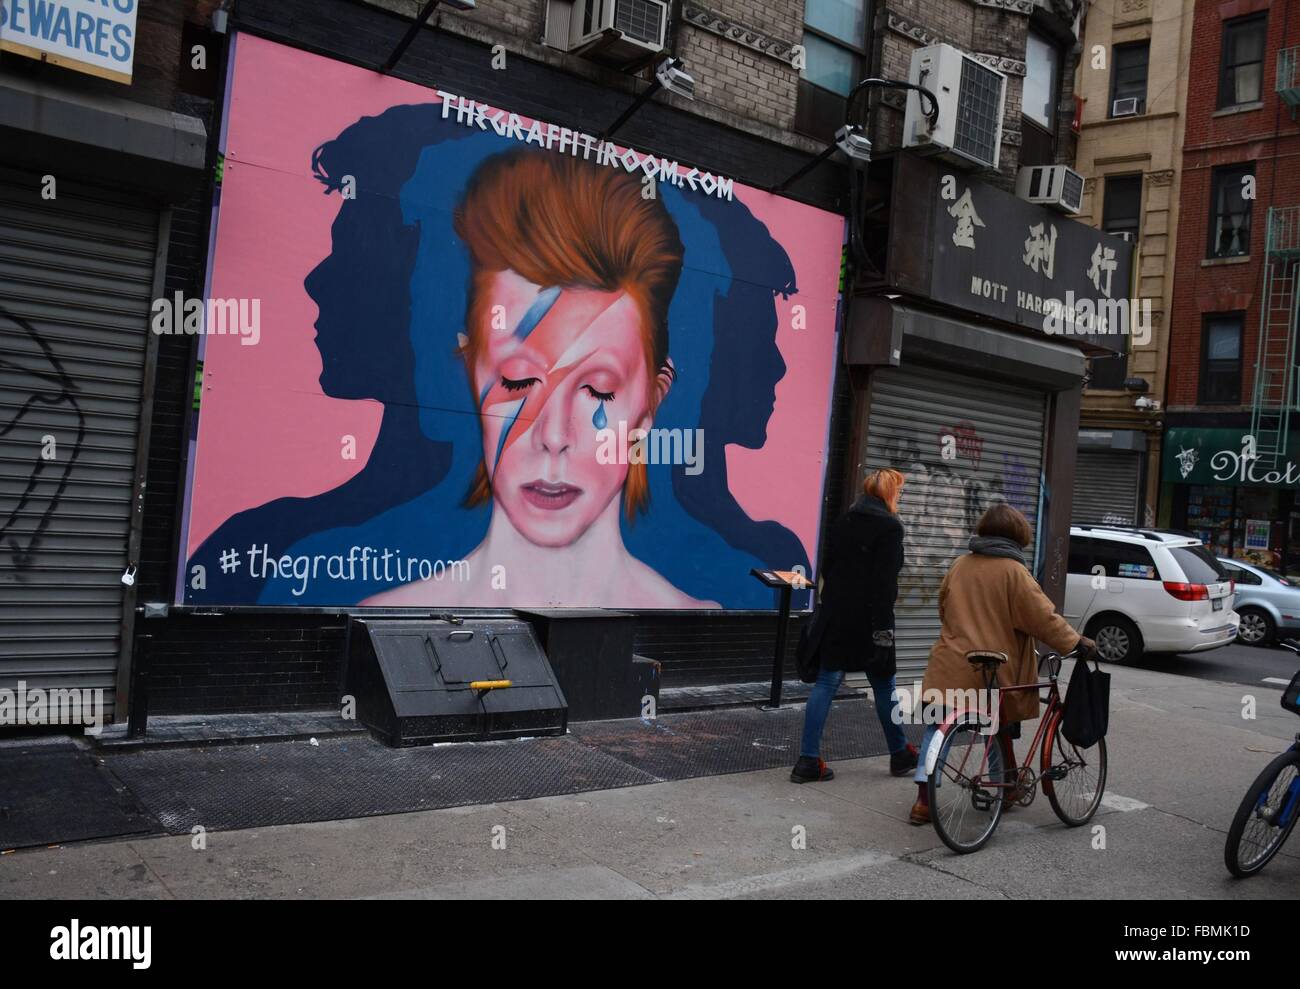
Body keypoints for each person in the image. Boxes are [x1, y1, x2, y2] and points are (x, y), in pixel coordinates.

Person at [364, 148, 717, 608]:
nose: (553, 436)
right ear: (473, 374)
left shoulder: (694, 620)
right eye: (517, 382)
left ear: (650, 402)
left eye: (598, 389)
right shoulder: (387, 617)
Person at [909, 503, 1096, 825]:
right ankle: (1000, 788)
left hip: (950, 662)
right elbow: (1044, 619)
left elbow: (944, 608)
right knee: (995, 726)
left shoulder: (960, 565)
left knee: (937, 728)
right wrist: (1076, 642)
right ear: (1018, 536)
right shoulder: (1014, 572)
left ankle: (923, 803)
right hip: (994, 668)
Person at [791, 468, 918, 784]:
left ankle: (808, 760)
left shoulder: (843, 521)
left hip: (836, 616)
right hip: (871, 620)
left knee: (826, 683)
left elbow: (829, 569)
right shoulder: (889, 527)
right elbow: (884, 586)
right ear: (890, 493)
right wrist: (883, 632)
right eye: (898, 492)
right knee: (885, 684)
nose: (899, 497)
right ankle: (899, 753)